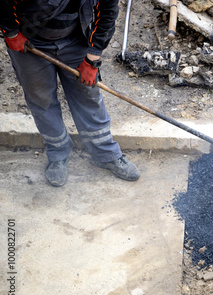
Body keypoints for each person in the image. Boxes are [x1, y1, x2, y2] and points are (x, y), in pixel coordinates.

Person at [0, 0, 140, 187]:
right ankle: (58, 152)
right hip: (29, 38)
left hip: (76, 37)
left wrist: (92, 60)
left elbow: (107, 11)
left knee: (88, 94)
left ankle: (105, 153)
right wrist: (11, 31)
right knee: (41, 98)